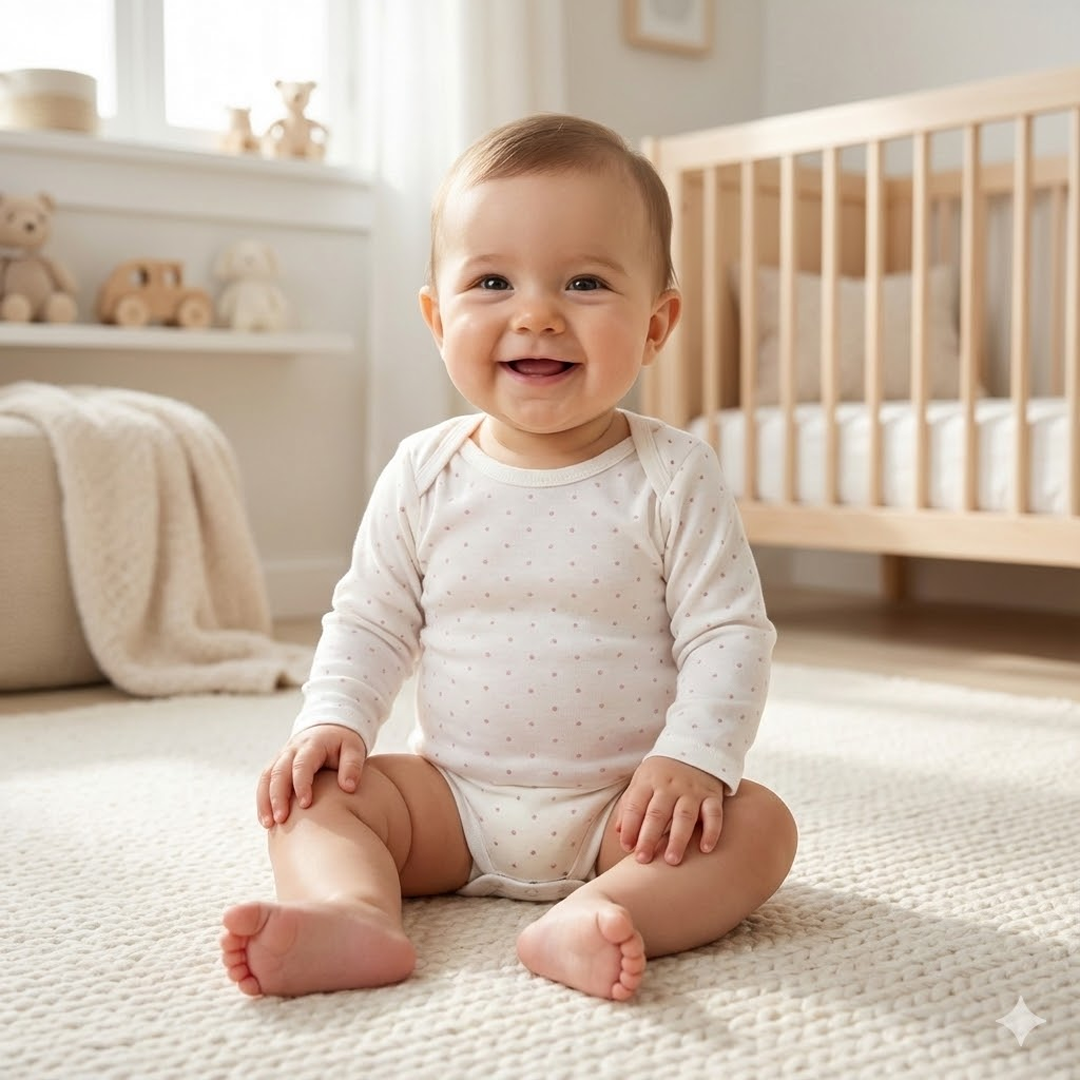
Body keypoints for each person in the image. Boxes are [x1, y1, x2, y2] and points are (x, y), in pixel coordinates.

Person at [220, 113, 798, 1003]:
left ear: (656, 324)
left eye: (585, 282)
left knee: (760, 827)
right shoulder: (424, 472)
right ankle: (351, 914)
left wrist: (692, 758)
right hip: (447, 802)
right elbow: (371, 619)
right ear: (436, 317)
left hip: (627, 812)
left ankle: (605, 913)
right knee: (310, 799)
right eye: (492, 281)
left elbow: (728, 634)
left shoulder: (674, 474)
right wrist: (333, 721)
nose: (537, 314)